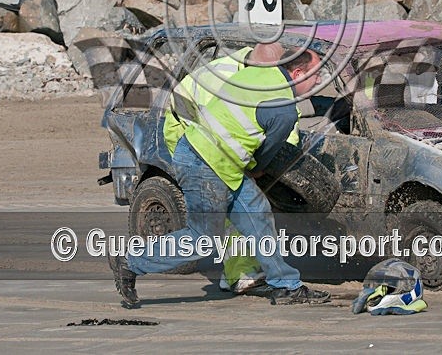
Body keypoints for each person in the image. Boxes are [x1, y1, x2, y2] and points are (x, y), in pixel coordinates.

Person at [109, 49, 330, 306]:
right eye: (317, 75)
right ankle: (130, 262)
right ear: (298, 73)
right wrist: (257, 169)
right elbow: (266, 158)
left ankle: (286, 286)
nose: (319, 81)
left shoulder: (257, 72)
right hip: (204, 163)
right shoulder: (284, 110)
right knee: (202, 238)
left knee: (257, 215)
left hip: (214, 160)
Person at [162, 42, 293, 294]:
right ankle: (237, 274)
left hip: (212, 139)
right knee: (230, 203)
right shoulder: (223, 77)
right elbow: (216, 130)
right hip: (188, 135)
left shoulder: (263, 75)